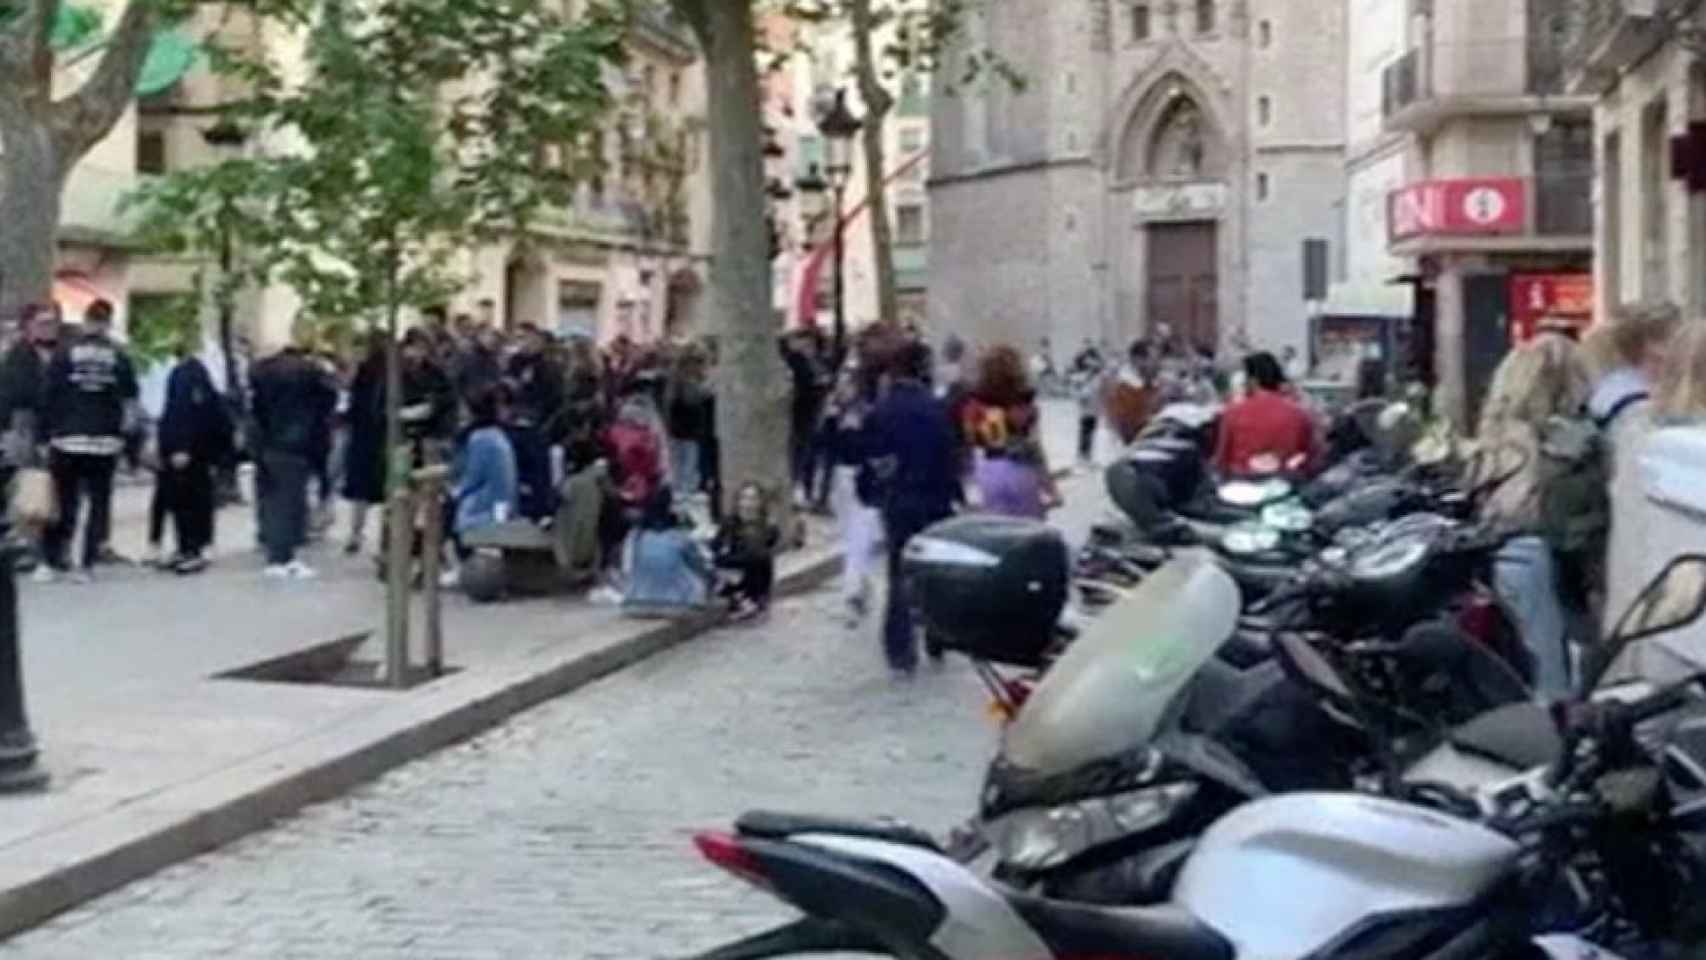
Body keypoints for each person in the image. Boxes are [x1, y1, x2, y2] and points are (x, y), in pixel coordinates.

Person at [1473, 332, 1594, 699]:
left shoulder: (1496, 435)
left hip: (1495, 553)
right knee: (1549, 680)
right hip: (1539, 557)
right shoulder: (1567, 439)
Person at [865, 341, 960, 678]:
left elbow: (871, 455)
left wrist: (876, 491)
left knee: (898, 573)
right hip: (933, 498)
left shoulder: (882, 409)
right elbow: (949, 454)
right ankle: (937, 637)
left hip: (898, 499)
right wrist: (955, 493)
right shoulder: (935, 408)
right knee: (934, 570)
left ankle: (899, 649)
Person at [40, 300, 137, 582]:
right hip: (104, 440)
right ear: (108, 322)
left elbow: (50, 393)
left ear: (85, 320)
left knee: (63, 500)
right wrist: (127, 441)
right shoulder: (119, 356)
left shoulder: (64, 352)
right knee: (98, 502)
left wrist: (46, 434)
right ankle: (86, 563)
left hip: (67, 438)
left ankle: (52, 559)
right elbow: (130, 401)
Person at [251, 341, 336, 579]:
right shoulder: (311, 374)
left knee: (273, 497)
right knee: (290, 499)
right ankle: (282, 556)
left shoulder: (261, 372)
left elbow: (257, 408)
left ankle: (273, 545)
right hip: (297, 443)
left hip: (268, 442)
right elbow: (327, 402)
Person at [151, 338, 234, 573]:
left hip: (186, 449)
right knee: (195, 498)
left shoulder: (186, 374)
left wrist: (180, 446)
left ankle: (190, 547)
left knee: (185, 500)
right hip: (199, 448)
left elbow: (182, 412)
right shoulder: (200, 374)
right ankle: (194, 546)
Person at [962, 345, 1060, 519]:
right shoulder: (1024, 405)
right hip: (1019, 468)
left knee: (999, 528)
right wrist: (1050, 487)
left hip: (987, 470)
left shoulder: (973, 405)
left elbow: (970, 442)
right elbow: (1035, 447)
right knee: (1028, 531)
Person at [1, 304, 61, 572]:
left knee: (51, 488)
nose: (49, 328)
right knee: (26, 487)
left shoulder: (60, 353)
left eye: (52, 322)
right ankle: (25, 544)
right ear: (28, 326)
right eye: (42, 323)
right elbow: (14, 394)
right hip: (23, 426)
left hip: (54, 427)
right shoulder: (18, 356)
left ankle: (49, 547)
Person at [824, 362, 881, 624]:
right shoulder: (836, 414)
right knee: (851, 537)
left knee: (859, 539)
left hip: (861, 478)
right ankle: (861, 587)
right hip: (841, 478)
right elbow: (823, 447)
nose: (842, 388)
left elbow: (868, 447)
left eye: (848, 383)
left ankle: (852, 594)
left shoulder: (868, 413)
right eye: (840, 383)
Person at [446, 383, 519, 587]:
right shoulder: (496, 435)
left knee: (446, 509)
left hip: (488, 504)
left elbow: (473, 477)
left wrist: (455, 492)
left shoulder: (480, 439)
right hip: (503, 501)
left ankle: (456, 564)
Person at [1214, 352, 1318, 477]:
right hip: (1286, 483)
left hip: (1242, 484)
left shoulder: (1233, 413)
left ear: (1253, 381)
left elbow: (1222, 460)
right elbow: (1310, 458)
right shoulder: (1299, 414)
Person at [623, 486, 711, 615]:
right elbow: (699, 566)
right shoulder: (680, 537)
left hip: (636, 602)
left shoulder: (636, 537)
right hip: (676, 604)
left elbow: (627, 568)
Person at [341, 333, 387, 554]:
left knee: (362, 491)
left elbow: (349, 395)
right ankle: (377, 537)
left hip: (365, 435)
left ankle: (356, 534)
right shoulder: (387, 370)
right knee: (383, 490)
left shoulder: (366, 370)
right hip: (378, 434)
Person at [713, 482, 780, 620]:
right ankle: (740, 599)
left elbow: (759, 551)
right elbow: (716, 548)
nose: (747, 503)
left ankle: (754, 599)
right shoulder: (729, 523)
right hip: (731, 572)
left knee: (761, 558)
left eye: (752, 499)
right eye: (744, 498)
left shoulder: (767, 526)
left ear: (759, 503)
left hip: (753, 573)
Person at [782, 330, 829, 505]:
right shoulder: (793, 361)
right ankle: (796, 488)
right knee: (797, 453)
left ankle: (805, 489)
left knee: (807, 454)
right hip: (799, 414)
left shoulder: (816, 360)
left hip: (811, 414)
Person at [664, 345, 711, 503]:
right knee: (685, 465)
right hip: (686, 427)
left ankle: (680, 493)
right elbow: (690, 399)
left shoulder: (676, 377)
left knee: (682, 464)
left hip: (682, 427)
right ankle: (681, 495)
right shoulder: (684, 379)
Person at [1104, 339, 1156, 445]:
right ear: (1137, 359)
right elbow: (1123, 419)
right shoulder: (1125, 385)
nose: (1153, 362)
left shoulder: (1147, 381)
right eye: (1150, 359)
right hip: (1130, 441)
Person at [1070, 343, 1108, 467]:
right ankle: (1082, 456)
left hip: (1093, 407)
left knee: (1090, 431)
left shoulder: (1096, 374)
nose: (1091, 362)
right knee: (1085, 431)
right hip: (1086, 407)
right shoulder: (1081, 375)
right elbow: (1078, 391)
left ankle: (1087, 456)